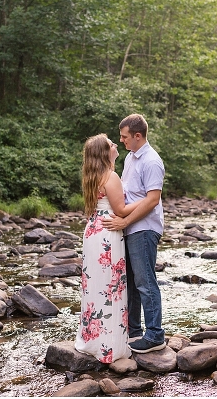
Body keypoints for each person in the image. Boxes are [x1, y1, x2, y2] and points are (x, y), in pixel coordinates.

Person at [74, 134, 141, 363]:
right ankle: (110, 346)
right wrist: (148, 201)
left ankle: (93, 338)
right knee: (111, 288)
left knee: (95, 287)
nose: (115, 145)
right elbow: (121, 211)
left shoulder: (91, 176)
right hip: (108, 234)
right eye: (111, 144)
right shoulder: (110, 176)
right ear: (105, 152)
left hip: (93, 231)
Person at [102, 114, 166, 354]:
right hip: (130, 228)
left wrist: (125, 221)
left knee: (145, 282)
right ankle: (134, 331)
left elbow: (152, 201)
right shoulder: (131, 158)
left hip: (144, 228)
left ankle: (155, 335)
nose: (122, 140)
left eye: (125, 136)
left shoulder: (151, 161)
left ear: (138, 136)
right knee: (130, 282)